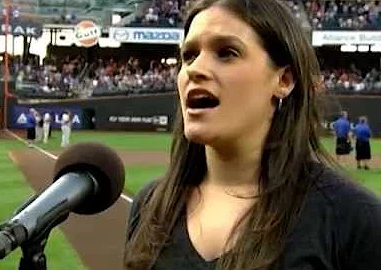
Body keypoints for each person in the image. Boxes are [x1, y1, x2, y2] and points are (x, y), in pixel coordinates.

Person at [123, 1, 381, 270]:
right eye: (189, 55)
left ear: (283, 80)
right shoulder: (150, 205)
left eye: (226, 53)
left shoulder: (352, 218)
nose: (194, 70)